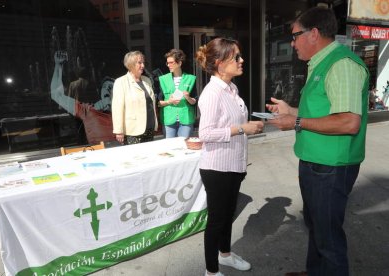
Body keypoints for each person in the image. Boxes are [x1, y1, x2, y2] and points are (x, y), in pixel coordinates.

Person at [266, 7, 369, 276]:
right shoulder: (322, 62)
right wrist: (291, 111)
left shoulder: (341, 64)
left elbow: (348, 122)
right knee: (316, 226)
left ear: (313, 33)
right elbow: (323, 112)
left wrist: (296, 123)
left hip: (331, 166)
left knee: (329, 238)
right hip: (316, 161)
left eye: (295, 35)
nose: (292, 42)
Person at [196, 37, 264, 276]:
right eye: (236, 57)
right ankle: (211, 271)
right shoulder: (212, 92)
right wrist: (242, 128)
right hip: (217, 168)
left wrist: (246, 125)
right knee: (216, 220)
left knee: (227, 216)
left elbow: (232, 122)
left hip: (234, 163)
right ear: (219, 63)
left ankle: (225, 255)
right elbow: (205, 133)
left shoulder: (232, 88)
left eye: (239, 55)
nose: (241, 60)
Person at [51, 51, 116, 145]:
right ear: (101, 93)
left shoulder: (124, 111)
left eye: (110, 88)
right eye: (104, 88)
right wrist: (58, 66)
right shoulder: (87, 110)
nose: (107, 91)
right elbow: (57, 95)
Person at [112, 51, 158, 145]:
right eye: (139, 63)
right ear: (130, 65)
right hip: (133, 130)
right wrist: (118, 130)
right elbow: (117, 108)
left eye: (143, 63)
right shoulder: (121, 82)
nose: (143, 66)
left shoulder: (147, 80)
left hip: (149, 128)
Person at [158, 49, 197, 138]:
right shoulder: (163, 79)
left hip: (186, 119)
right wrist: (169, 101)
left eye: (171, 62)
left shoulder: (191, 78)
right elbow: (158, 103)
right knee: (170, 148)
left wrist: (188, 97)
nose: (168, 65)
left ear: (179, 63)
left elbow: (194, 101)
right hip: (168, 119)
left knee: (184, 147)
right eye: (167, 63)